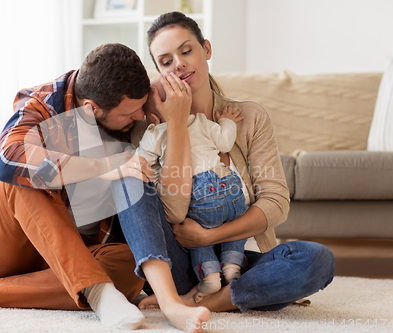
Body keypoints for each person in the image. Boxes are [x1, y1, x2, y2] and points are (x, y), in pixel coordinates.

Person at [0, 43, 194, 331]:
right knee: (25, 177)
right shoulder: (42, 103)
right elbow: (8, 159)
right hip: (7, 248)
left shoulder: (131, 104)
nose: (138, 117)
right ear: (91, 109)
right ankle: (98, 293)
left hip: (72, 256)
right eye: (130, 113)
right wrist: (106, 166)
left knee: (132, 266)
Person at [111, 11, 335, 332]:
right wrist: (175, 123)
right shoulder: (151, 129)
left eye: (186, 51)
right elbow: (173, 214)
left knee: (316, 259)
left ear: (207, 49)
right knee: (127, 179)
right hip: (182, 263)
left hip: (244, 263)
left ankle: (205, 301)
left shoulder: (249, 117)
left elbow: (275, 202)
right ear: (158, 71)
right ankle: (178, 299)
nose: (179, 64)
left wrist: (210, 235)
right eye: (166, 61)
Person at [134, 81, 249, 301]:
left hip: (201, 194)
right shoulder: (202, 122)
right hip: (231, 187)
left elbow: (141, 164)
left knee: (195, 228)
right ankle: (233, 266)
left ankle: (211, 277)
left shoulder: (155, 132)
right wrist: (226, 121)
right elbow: (225, 142)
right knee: (236, 221)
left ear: (154, 118)